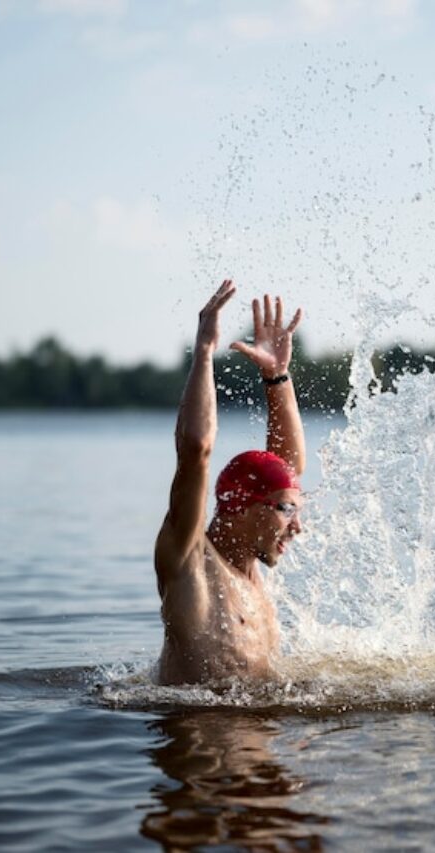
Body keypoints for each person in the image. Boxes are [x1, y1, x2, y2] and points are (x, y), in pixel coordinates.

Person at [155, 279, 305, 685]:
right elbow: (196, 449)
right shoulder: (190, 563)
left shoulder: (253, 576)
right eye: (287, 510)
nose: (298, 526)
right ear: (242, 504)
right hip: (197, 739)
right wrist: (204, 353)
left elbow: (287, 470)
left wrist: (278, 378)